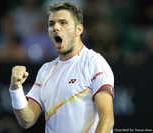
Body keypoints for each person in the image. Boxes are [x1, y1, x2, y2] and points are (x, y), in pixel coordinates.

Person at [9, 1, 114, 133]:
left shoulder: (95, 63)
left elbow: (107, 118)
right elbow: (27, 120)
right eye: (51, 24)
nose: (56, 28)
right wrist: (15, 89)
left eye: (63, 23)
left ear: (79, 29)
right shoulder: (45, 70)